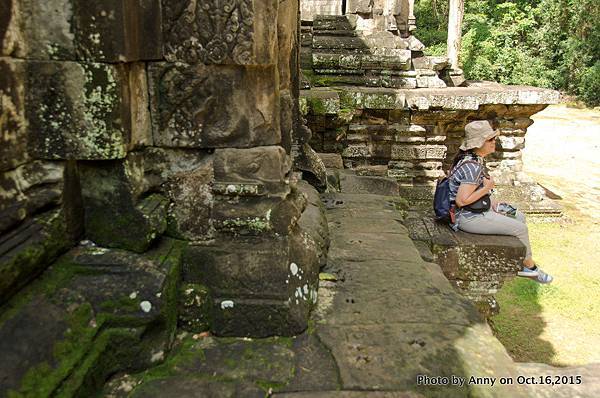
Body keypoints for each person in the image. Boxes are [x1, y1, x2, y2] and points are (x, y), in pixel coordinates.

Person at [448, 120, 553, 284]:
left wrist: (493, 200)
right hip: (469, 217)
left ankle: (521, 259)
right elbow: (461, 201)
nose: (493, 142)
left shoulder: (473, 160)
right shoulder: (472, 166)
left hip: (481, 208)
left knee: (518, 216)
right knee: (521, 229)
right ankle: (530, 268)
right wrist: (487, 187)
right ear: (479, 143)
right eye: (490, 140)